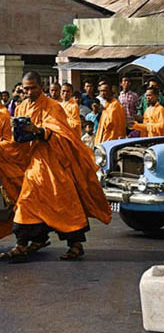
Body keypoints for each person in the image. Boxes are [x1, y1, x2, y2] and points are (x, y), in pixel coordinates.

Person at [0, 71, 111, 262]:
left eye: (32, 87)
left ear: (40, 86)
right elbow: (16, 140)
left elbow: (63, 135)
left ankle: (75, 245)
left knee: (64, 204)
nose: (28, 92)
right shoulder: (21, 108)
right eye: (25, 88)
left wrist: (39, 131)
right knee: (26, 202)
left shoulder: (53, 107)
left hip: (54, 161)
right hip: (34, 163)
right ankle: (23, 244)